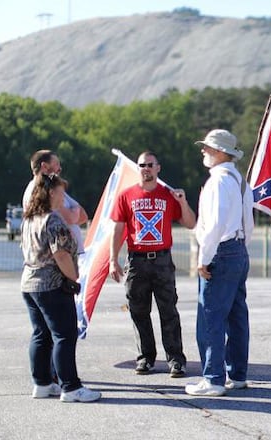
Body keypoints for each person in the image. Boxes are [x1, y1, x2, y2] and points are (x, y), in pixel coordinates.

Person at [108, 151, 196, 378]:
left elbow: (190, 223)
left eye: (150, 164)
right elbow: (118, 229)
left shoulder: (168, 195)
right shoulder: (126, 196)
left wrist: (183, 202)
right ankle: (146, 358)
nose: (145, 168)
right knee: (139, 312)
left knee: (168, 311)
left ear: (158, 168)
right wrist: (112, 259)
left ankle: (176, 359)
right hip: (136, 261)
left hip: (162, 261)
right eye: (141, 165)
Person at [185, 129, 254, 397]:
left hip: (221, 251)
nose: (204, 151)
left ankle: (213, 378)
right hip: (237, 249)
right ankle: (236, 374)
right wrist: (240, 248)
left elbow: (214, 225)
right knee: (237, 316)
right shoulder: (239, 180)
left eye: (208, 148)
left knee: (211, 316)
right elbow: (248, 221)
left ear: (221, 152)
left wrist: (204, 258)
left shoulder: (217, 182)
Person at [21, 174, 101, 403]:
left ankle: (42, 383)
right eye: (60, 192)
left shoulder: (29, 219)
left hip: (29, 283)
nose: (63, 197)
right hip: (51, 285)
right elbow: (61, 255)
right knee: (64, 335)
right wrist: (74, 277)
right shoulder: (52, 221)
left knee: (41, 334)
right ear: (50, 193)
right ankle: (71, 387)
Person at [22, 150, 88, 254]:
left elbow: (83, 216)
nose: (60, 169)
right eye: (56, 164)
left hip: (69, 256)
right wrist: (74, 212)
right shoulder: (43, 192)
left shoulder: (54, 187)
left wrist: (73, 215)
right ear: (44, 166)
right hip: (57, 259)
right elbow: (71, 218)